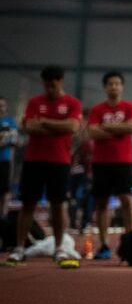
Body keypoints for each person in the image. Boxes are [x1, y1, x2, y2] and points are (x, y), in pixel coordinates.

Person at [8, 66, 82, 268]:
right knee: (28, 204)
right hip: (34, 160)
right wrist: (58, 125)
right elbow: (30, 126)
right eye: (47, 84)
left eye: (54, 83)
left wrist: (44, 122)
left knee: (58, 206)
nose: (50, 87)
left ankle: (59, 248)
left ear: (61, 81)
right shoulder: (35, 102)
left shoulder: (72, 103)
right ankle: (19, 248)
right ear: (43, 83)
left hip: (60, 161)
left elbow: (72, 126)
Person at [86, 71, 132, 260]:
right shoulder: (97, 109)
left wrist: (105, 127)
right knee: (102, 203)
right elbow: (93, 132)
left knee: (127, 200)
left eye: (117, 84)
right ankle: (104, 245)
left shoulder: (130, 107)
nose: (114, 87)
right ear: (105, 87)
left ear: (122, 87)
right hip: (101, 162)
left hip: (124, 162)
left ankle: (131, 243)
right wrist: (120, 129)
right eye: (110, 84)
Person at [0, 97, 16, 217]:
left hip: (5, 160)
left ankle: (3, 216)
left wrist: (5, 139)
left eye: (3, 105)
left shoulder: (10, 122)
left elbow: (13, 139)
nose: (1, 108)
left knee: (5, 189)